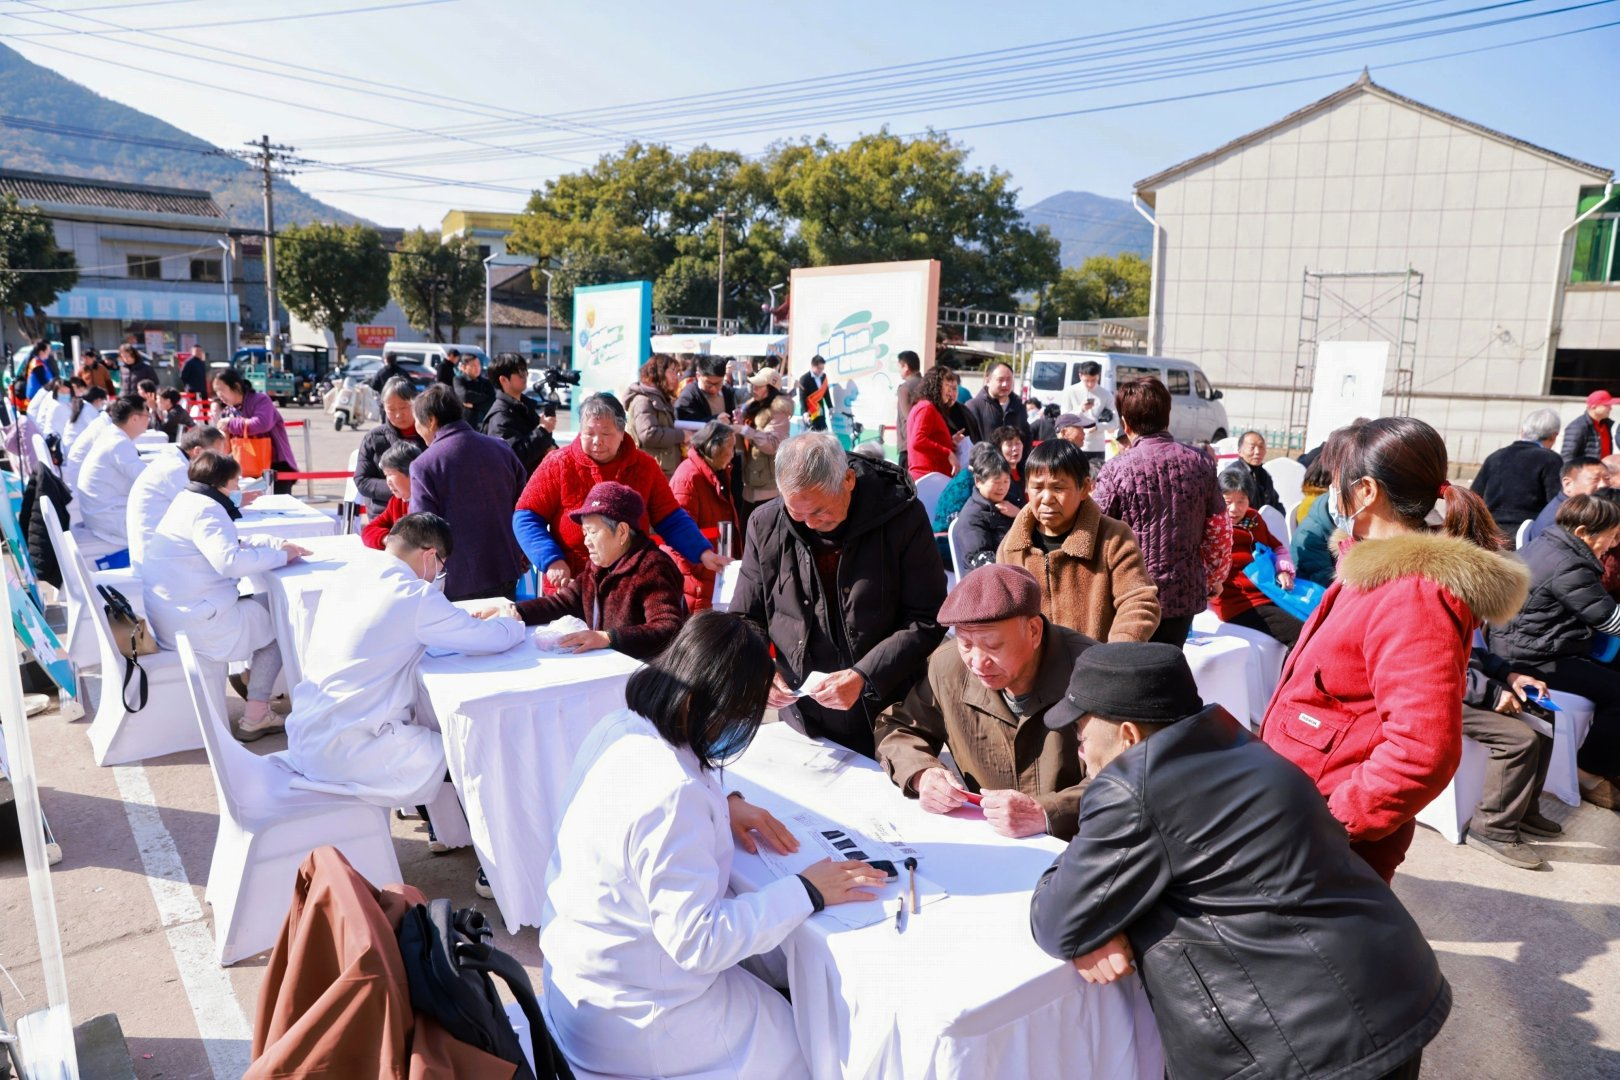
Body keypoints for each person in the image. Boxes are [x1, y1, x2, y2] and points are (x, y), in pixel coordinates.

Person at [1030, 643, 1450, 1080]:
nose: (1080, 751)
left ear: (1128, 735)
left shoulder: (1132, 787)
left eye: (1081, 735)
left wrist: (1073, 881)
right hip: (1393, 987)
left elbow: (1059, 920)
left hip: (1309, 1044)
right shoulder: (1237, 743)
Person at [540, 612, 883, 1080]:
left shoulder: (620, 727)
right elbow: (699, 943)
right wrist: (807, 890)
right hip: (638, 1020)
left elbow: (643, 817)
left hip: (582, 983)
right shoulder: (673, 793)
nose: (742, 728)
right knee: (810, 1042)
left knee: (772, 979)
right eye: (741, 716)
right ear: (705, 703)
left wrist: (723, 803)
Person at [1263, 417, 1529, 882]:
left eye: (1337, 482)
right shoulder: (1370, 570)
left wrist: (1333, 824)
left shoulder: (1412, 594)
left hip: (1323, 838)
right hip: (1297, 810)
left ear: (1366, 491)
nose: (1332, 493)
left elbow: (1421, 750)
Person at [281, 511, 527, 805]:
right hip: (350, 748)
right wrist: (511, 621)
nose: (438, 575)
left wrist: (455, 622)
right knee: (478, 751)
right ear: (430, 555)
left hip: (307, 733)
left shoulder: (349, 573)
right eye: (441, 566)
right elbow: (491, 639)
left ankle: (436, 821)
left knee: (439, 744)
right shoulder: (413, 593)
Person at [733, 433, 946, 756]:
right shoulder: (766, 524)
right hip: (803, 715)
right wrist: (759, 667)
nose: (809, 524)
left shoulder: (901, 516)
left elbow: (927, 616)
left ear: (848, 480)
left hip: (889, 711)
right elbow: (745, 616)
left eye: (819, 512)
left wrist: (865, 675)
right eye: (796, 513)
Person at [876, 565, 1094, 839]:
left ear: (1034, 631)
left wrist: (1047, 812)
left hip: (1079, 844)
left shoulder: (1092, 674)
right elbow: (896, 728)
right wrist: (921, 773)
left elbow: (1126, 776)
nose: (978, 662)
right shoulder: (948, 668)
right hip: (990, 840)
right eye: (966, 644)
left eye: (993, 645)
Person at [144, 451, 310, 741]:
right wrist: (282, 556)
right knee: (283, 619)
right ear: (220, 483)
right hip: (199, 623)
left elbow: (227, 545)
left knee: (267, 611)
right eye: (236, 482)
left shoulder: (187, 501)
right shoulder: (208, 510)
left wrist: (275, 546)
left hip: (175, 616)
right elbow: (229, 562)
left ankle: (250, 676)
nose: (238, 489)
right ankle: (256, 714)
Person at [1487, 493, 1620, 809]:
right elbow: (1610, 621)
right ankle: (1588, 770)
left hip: (1529, 646)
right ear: (1583, 532)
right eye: (1612, 536)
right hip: (1530, 658)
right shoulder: (1568, 564)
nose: (1613, 544)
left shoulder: (1549, 544)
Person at [514, 393, 723, 587]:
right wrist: (551, 560)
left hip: (630, 584)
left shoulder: (645, 466)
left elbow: (670, 517)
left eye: (606, 433)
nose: (597, 441)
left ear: (622, 433)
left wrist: (702, 552)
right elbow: (526, 517)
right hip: (571, 583)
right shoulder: (558, 463)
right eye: (589, 433)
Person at [1091, 376, 1227, 647]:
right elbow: (1218, 529)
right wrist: (1214, 576)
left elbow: (1093, 528)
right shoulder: (1201, 463)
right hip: (1185, 590)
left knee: (1129, 665)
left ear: (1125, 424)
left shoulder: (1116, 469)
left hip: (1131, 594)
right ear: (1167, 416)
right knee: (1169, 663)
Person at [492, 481, 688, 659]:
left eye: (593, 532)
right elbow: (565, 602)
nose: (586, 541)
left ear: (621, 532)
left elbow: (667, 628)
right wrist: (517, 611)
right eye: (584, 532)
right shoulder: (599, 565)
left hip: (648, 675)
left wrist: (608, 638)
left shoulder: (652, 567)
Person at [996, 439, 1160, 642]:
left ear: (1084, 488)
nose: (1046, 498)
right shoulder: (1012, 547)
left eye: (1058, 488)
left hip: (1097, 659)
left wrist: (1115, 652)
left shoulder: (1113, 537)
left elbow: (1138, 600)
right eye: (1037, 488)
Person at [408, 385, 528, 602]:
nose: (416, 427)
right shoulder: (501, 448)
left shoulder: (424, 465)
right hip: (506, 567)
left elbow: (423, 529)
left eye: (417, 421)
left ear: (431, 420)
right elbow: (525, 507)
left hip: (458, 578)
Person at [1458, 647, 1562, 869]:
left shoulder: (1461, 624)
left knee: (1542, 712)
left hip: (1466, 684)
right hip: (1436, 694)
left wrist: (1510, 674)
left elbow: (1472, 653)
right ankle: (1492, 828)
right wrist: (1491, 693)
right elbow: (1438, 667)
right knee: (1520, 739)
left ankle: (1524, 808)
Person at [1212, 466, 1304, 646]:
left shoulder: (1254, 519)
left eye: (1241, 501)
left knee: (1317, 620)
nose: (1234, 509)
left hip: (1272, 591)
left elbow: (1277, 547)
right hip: (1241, 602)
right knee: (1301, 635)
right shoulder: (1213, 527)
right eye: (1227, 501)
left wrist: (1282, 570)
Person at [127, 424, 226, 571]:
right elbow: (201, 507)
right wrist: (232, 499)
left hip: (161, 544)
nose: (218, 462)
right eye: (215, 456)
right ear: (197, 451)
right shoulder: (176, 469)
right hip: (157, 557)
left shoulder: (175, 461)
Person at [669, 421, 740, 612]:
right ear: (714, 448)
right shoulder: (689, 478)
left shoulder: (716, 473)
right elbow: (678, 535)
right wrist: (701, 566)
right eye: (730, 447)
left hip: (714, 568)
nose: (733, 454)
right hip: (700, 575)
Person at [1470, 408, 1563, 546]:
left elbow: (1473, 496)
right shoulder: (1551, 460)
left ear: (1522, 431)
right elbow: (1556, 503)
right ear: (1554, 436)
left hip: (1489, 532)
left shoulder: (1496, 456)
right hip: (1527, 536)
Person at [76, 395, 151, 553]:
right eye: (147, 414)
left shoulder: (112, 435)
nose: (149, 419)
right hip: (109, 519)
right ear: (134, 418)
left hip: (99, 513)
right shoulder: (119, 443)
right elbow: (148, 481)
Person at [212, 368, 299, 495]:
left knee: (279, 504)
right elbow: (226, 449)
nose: (219, 395)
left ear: (236, 386)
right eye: (216, 391)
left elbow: (262, 424)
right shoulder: (228, 412)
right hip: (246, 468)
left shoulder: (261, 400)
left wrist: (230, 423)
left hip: (275, 465)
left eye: (221, 390)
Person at [351, 378, 425, 517]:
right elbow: (362, 480)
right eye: (391, 409)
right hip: (384, 513)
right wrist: (401, 488)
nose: (398, 415)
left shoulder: (430, 435)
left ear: (416, 403)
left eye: (404, 407)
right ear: (383, 408)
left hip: (424, 511)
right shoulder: (374, 438)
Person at [948, 444, 1020, 572]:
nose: (1002, 487)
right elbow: (985, 565)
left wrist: (1019, 514)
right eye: (996, 482)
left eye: (1006, 481)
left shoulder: (1010, 502)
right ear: (978, 481)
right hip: (994, 578)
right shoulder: (972, 518)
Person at [481, 352, 553, 473]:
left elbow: (542, 441)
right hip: (517, 484)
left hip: (535, 481)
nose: (525, 375)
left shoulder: (524, 406)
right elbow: (514, 457)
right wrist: (543, 430)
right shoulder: (500, 416)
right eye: (520, 372)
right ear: (503, 380)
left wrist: (552, 449)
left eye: (525, 370)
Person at [737, 366, 794, 513]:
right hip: (750, 483)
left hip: (768, 489)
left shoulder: (778, 411)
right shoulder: (754, 407)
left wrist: (745, 430)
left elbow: (773, 445)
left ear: (771, 388)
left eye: (759, 385)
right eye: (753, 385)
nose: (754, 388)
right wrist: (739, 424)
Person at [625, 353, 687, 477]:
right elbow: (648, 434)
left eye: (677, 373)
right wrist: (682, 435)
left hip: (662, 470)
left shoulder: (661, 399)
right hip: (651, 472)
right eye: (672, 371)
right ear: (659, 372)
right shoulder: (643, 400)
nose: (676, 377)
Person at [1522, 455, 1606, 546]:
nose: (1604, 484)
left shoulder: (1578, 509)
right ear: (1567, 484)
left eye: (1607, 478)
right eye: (1595, 479)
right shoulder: (1562, 519)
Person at [905, 364, 963, 480]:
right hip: (929, 478)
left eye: (952, 387)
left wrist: (949, 443)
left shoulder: (926, 407)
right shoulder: (926, 408)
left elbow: (928, 440)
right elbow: (918, 440)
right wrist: (948, 453)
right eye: (947, 385)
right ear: (936, 385)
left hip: (931, 478)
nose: (950, 392)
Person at [963, 361, 1029, 461]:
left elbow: (1026, 436)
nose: (1005, 384)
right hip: (985, 466)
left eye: (1009, 379)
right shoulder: (973, 407)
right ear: (988, 381)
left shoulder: (1018, 406)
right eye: (1000, 380)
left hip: (1014, 467)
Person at [360, 442, 421, 550]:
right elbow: (369, 530)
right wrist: (388, 539)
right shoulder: (396, 501)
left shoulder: (426, 501)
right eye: (386, 475)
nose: (388, 482)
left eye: (391, 474)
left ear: (411, 473)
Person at [1060, 360, 1114, 465]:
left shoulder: (1106, 394)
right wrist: (1081, 409)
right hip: (1074, 444)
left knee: (1096, 474)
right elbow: (1063, 419)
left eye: (1094, 380)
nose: (1090, 384)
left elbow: (1114, 422)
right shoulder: (1070, 391)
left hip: (1097, 446)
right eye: (1087, 380)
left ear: (1098, 376)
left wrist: (1098, 427)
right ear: (1080, 376)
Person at [676, 354, 739, 424]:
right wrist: (714, 420)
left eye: (718, 384)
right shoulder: (688, 397)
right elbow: (685, 423)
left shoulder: (727, 392)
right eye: (708, 383)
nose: (713, 388)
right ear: (698, 376)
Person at [1235, 430, 1283, 512]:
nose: (1257, 452)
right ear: (1240, 452)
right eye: (1252, 448)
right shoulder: (1233, 475)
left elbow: (1275, 502)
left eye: (1261, 447)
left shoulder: (1264, 474)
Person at [1561, 389, 1613, 461]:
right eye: (1606, 405)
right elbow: (1567, 457)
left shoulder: (1606, 425)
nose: (1610, 408)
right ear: (1594, 406)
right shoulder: (1578, 426)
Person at [894, 349, 923, 472]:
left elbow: (909, 418)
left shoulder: (904, 389)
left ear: (905, 367)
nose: (899, 371)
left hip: (908, 446)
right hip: (925, 446)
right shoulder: (928, 385)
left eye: (900, 367)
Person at [452, 350, 495, 429]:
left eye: (478, 365)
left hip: (485, 424)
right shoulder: (459, 380)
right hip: (467, 423)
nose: (477, 368)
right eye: (473, 365)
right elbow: (465, 396)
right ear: (464, 367)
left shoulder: (486, 382)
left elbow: (492, 402)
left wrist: (474, 405)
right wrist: (485, 397)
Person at [990, 424, 1027, 505]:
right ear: (999, 449)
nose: (1015, 448)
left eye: (1017, 443)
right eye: (1009, 445)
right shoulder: (997, 476)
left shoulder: (1027, 470)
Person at [798, 354, 828, 431]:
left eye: (822, 368)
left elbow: (826, 393)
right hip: (810, 413)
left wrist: (830, 407)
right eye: (819, 368)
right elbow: (802, 398)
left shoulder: (823, 376)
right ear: (812, 366)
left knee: (823, 433)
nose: (821, 371)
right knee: (812, 435)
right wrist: (805, 412)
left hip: (820, 412)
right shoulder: (804, 378)